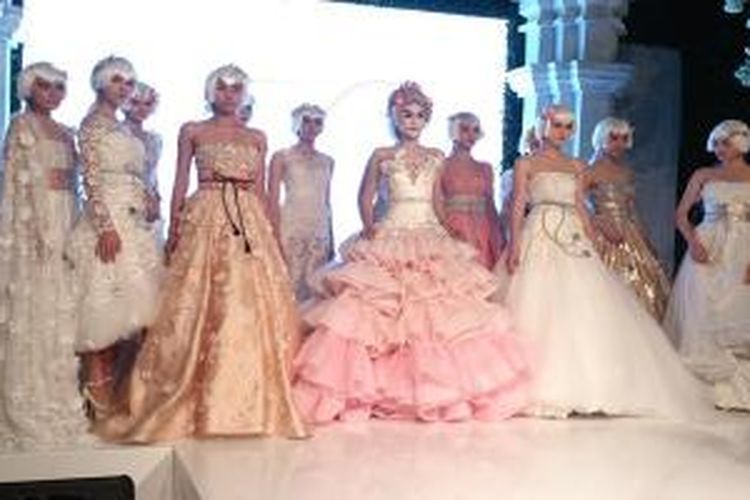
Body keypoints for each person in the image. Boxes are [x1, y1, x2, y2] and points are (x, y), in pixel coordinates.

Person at [293, 82, 531, 424]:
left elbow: (436, 199)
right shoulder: (382, 155)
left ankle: (439, 389)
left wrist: (447, 229)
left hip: (429, 232)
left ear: (427, 119)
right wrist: (368, 225)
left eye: (420, 115)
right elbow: (365, 195)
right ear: (394, 116)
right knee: (379, 310)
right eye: (406, 114)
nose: (413, 121)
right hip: (392, 230)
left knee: (437, 315)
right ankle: (372, 387)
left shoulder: (435, 156)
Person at [96, 64, 307, 441]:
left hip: (247, 220)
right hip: (205, 213)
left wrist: (272, 235)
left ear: (245, 94)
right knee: (196, 302)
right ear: (210, 92)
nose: (229, 94)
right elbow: (180, 181)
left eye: (236, 88)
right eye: (222, 88)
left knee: (246, 302)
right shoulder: (193, 130)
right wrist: (174, 228)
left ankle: (244, 399)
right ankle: (191, 394)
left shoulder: (257, 136)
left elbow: (260, 191)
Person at [502, 104, 711, 420]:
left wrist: (590, 236)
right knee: (537, 301)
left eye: (568, 127)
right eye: (557, 125)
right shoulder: (526, 163)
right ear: (543, 126)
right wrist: (515, 241)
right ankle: (534, 382)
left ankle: (587, 383)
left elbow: (580, 205)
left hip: (572, 234)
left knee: (580, 304)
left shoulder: (576, 165)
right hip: (540, 232)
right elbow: (519, 203)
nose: (563, 132)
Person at [65, 56, 163, 420]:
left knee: (136, 316)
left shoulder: (123, 128)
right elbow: (89, 179)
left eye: (129, 82)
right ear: (101, 83)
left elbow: (138, 174)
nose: (124, 88)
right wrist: (105, 227)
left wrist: (150, 198)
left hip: (136, 224)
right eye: (118, 80)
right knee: (102, 310)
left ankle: (125, 396)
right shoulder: (91, 124)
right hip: (109, 224)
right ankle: (98, 400)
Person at [0, 62, 88, 449]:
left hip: (66, 215)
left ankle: (62, 395)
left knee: (63, 308)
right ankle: (32, 398)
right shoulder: (22, 125)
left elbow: (76, 185)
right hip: (36, 224)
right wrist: (33, 230)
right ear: (28, 88)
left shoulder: (67, 132)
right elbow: (14, 181)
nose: (51, 93)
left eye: (58, 87)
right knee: (37, 305)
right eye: (44, 86)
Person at [665, 119, 750, 411]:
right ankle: (704, 393)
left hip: (742, 249)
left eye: (726, 143)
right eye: (716, 143)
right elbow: (681, 214)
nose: (719, 149)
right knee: (702, 309)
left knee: (738, 310)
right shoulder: (704, 174)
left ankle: (739, 393)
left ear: (740, 143)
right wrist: (693, 242)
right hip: (708, 245)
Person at [584, 117, 671, 320]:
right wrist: (599, 222)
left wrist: (647, 243)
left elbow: (632, 211)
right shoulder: (588, 171)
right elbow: (577, 204)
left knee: (642, 285)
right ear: (601, 138)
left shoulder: (627, 172)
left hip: (629, 235)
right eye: (613, 138)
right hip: (600, 234)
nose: (619, 144)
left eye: (624, 138)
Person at [268, 103, 334, 301]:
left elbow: (327, 200)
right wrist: (272, 233)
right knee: (289, 281)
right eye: (306, 121)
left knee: (315, 284)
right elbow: (272, 199)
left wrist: (331, 236)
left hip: (319, 227)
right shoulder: (281, 157)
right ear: (296, 123)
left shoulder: (328, 161)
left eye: (317, 122)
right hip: (291, 224)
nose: (312, 126)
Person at [439, 112, 503, 269]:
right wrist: (447, 229)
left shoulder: (485, 168)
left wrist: (498, 236)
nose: (471, 135)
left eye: (475, 130)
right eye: (465, 129)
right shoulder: (440, 165)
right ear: (453, 131)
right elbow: (436, 202)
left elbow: (490, 205)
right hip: (452, 226)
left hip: (482, 228)